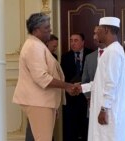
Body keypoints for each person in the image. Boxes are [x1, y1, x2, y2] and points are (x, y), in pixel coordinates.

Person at [12, 12, 77, 141]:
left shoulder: (37, 44)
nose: (50, 30)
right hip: (39, 102)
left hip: (42, 102)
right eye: (47, 28)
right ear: (36, 30)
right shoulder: (33, 46)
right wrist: (67, 86)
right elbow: (42, 78)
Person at [78, 17, 125, 141]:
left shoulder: (113, 52)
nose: (96, 34)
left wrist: (104, 108)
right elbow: (99, 82)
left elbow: (110, 83)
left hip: (111, 112)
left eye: (98, 31)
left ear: (106, 30)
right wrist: (81, 87)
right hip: (107, 110)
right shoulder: (110, 51)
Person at [25, 34, 59, 141]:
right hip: (36, 100)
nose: (55, 49)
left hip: (49, 99)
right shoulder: (35, 54)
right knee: (33, 130)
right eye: (54, 46)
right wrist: (67, 86)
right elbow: (41, 78)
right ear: (46, 43)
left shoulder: (53, 57)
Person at [61, 33, 93, 141]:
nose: (73, 43)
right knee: (71, 130)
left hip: (86, 97)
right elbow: (63, 77)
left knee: (86, 128)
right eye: (71, 40)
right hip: (71, 98)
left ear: (83, 42)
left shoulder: (91, 54)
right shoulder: (65, 57)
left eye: (76, 40)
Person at [82, 26, 106, 116]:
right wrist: (89, 97)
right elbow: (85, 80)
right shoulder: (89, 57)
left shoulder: (118, 54)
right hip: (93, 104)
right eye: (93, 34)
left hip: (113, 105)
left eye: (97, 33)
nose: (94, 37)